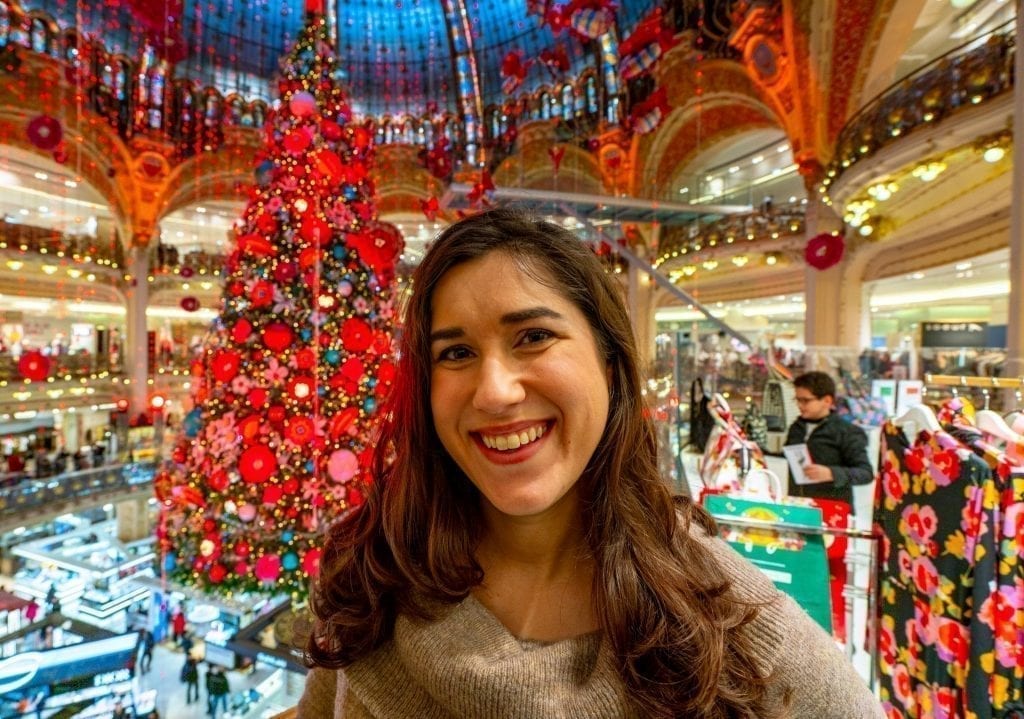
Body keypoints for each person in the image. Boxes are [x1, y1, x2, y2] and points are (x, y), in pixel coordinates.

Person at [300, 209, 883, 718]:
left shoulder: (726, 620)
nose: (494, 392)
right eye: (455, 353)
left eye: (532, 336)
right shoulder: (379, 568)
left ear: (609, 364)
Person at [784, 371, 873, 507]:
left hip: (833, 510)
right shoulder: (796, 428)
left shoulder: (847, 432)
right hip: (798, 505)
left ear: (827, 401)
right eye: (797, 400)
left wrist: (831, 473)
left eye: (806, 400)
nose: (800, 405)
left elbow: (865, 473)